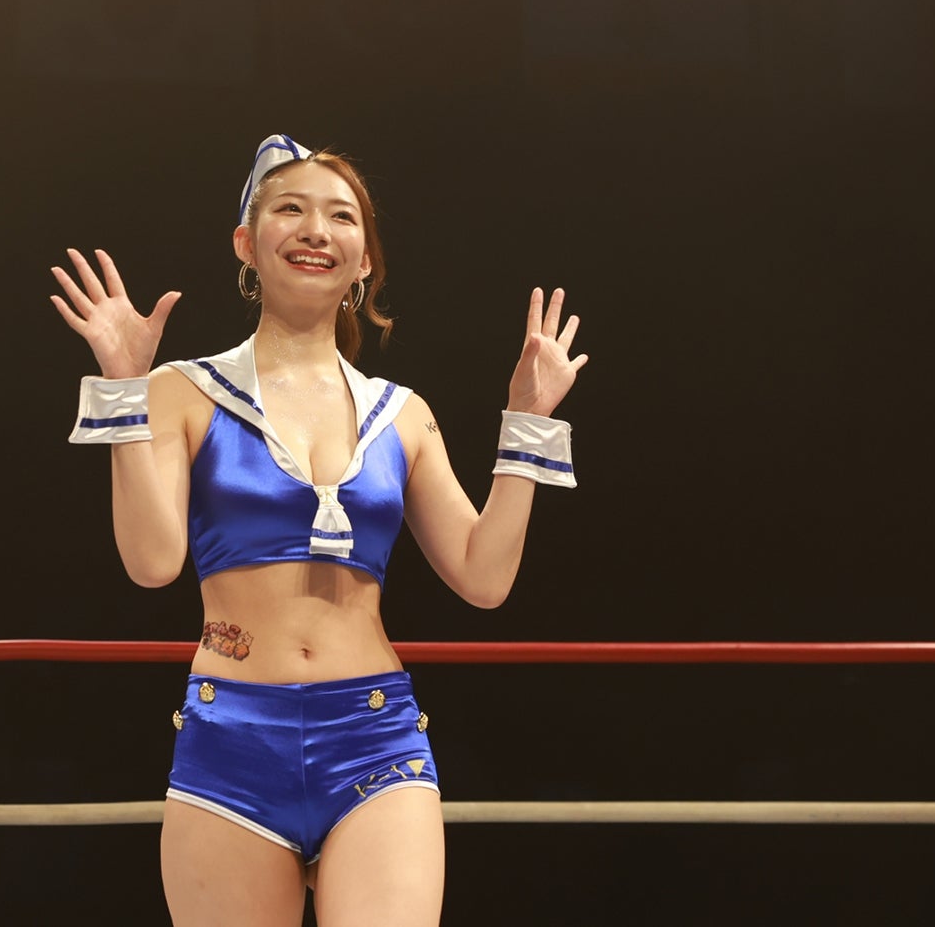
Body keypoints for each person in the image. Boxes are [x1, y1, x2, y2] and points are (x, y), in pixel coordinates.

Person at [50, 134, 587, 926]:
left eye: (340, 216)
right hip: (232, 736)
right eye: (290, 209)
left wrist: (527, 423)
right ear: (246, 243)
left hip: (373, 737)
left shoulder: (401, 414)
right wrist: (124, 391)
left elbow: (484, 577)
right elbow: (153, 562)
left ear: (364, 259)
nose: (315, 230)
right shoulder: (183, 391)